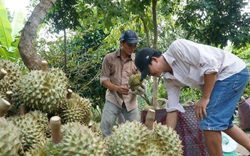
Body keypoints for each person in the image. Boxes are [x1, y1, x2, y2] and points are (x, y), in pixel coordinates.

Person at [134, 39, 250, 156]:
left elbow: (211, 66)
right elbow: (173, 108)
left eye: (147, 71)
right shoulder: (168, 79)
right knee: (223, 123)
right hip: (222, 80)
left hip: (232, 72)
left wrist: (205, 98)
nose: (149, 75)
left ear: (154, 60)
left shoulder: (177, 48)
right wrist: (166, 136)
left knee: (210, 121)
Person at [100, 30, 145, 137]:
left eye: (135, 45)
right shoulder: (109, 58)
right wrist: (116, 88)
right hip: (113, 99)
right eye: (130, 45)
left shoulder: (137, 61)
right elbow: (103, 79)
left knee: (137, 133)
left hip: (131, 101)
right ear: (121, 43)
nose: (132, 48)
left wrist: (141, 89)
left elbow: (140, 80)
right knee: (104, 131)